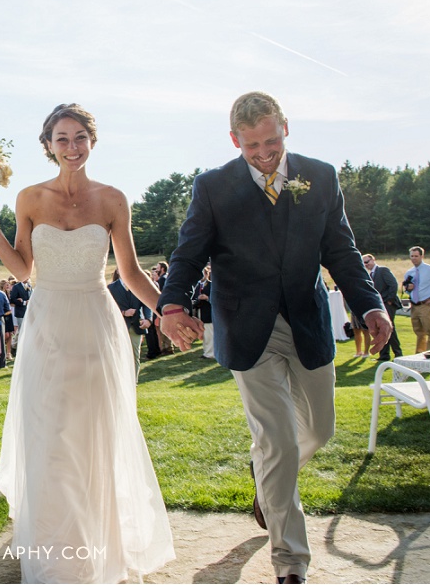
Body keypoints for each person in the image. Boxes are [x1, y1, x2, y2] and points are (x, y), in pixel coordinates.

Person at [158, 92, 389, 584]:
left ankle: (265, 474)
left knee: (318, 431)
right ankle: (291, 564)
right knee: (279, 442)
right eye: (252, 147)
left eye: (272, 142)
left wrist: (369, 303)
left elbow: (342, 251)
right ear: (233, 139)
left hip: (307, 320)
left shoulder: (321, 176)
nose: (264, 155)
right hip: (246, 327)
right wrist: (172, 303)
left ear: (286, 126)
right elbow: (188, 252)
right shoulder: (213, 186)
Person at [0, 103, 174, 582]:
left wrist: (168, 310)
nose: (72, 147)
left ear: (92, 141)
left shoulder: (112, 200)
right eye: (62, 139)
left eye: (80, 137)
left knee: (94, 432)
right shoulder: (29, 198)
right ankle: (55, 549)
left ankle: (98, 543)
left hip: (95, 322)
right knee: (49, 433)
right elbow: (24, 271)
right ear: (48, 146)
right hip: (46, 325)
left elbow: (129, 273)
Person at [364, 255, 403, 362]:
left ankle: (398, 353)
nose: (366, 265)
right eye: (364, 263)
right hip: (380, 305)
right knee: (381, 328)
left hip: (388, 303)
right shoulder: (370, 275)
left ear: (373, 259)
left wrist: (389, 300)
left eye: (367, 261)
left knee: (388, 327)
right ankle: (384, 355)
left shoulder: (382, 270)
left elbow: (393, 285)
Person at [193, 265, 214, 359]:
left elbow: (216, 299)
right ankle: (207, 351)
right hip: (200, 312)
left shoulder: (211, 284)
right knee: (205, 334)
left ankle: (210, 353)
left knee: (210, 333)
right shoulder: (197, 286)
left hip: (209, 312)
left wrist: (207, 298)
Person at [8, 276, 31, 356]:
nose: (27, 278)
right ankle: (19, 349)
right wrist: (23, 302)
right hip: (20, 312)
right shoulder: (16, 287)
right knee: (21, 330)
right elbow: (12, 299)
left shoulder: (29, 286)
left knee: (25, 330)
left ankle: (14, 345)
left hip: (28, 312)